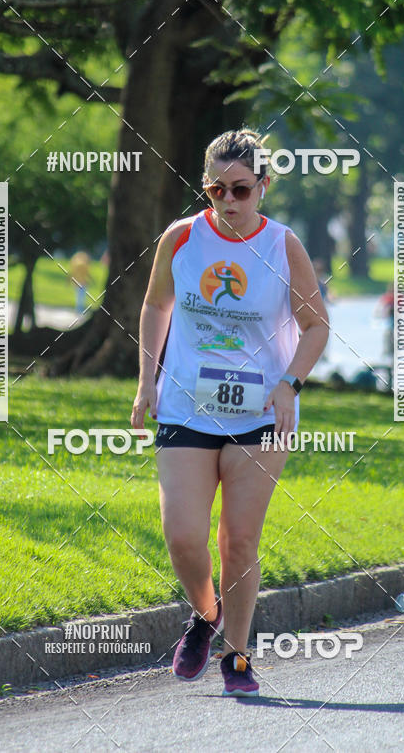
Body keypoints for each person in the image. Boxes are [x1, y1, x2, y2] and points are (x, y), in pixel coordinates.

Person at [130, 129, 329, 696]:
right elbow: (156, 304)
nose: (228, 201)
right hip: (186, 408)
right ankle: (205, 613)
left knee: (238, 541)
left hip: (260, 416)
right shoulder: (182, 237)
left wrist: (290, 384)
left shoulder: (282, 246)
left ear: (263, 187)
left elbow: (317, 326)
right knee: (183, 536)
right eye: (216, 188)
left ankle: (238, 656)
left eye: (241, 189)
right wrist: (147, 381)